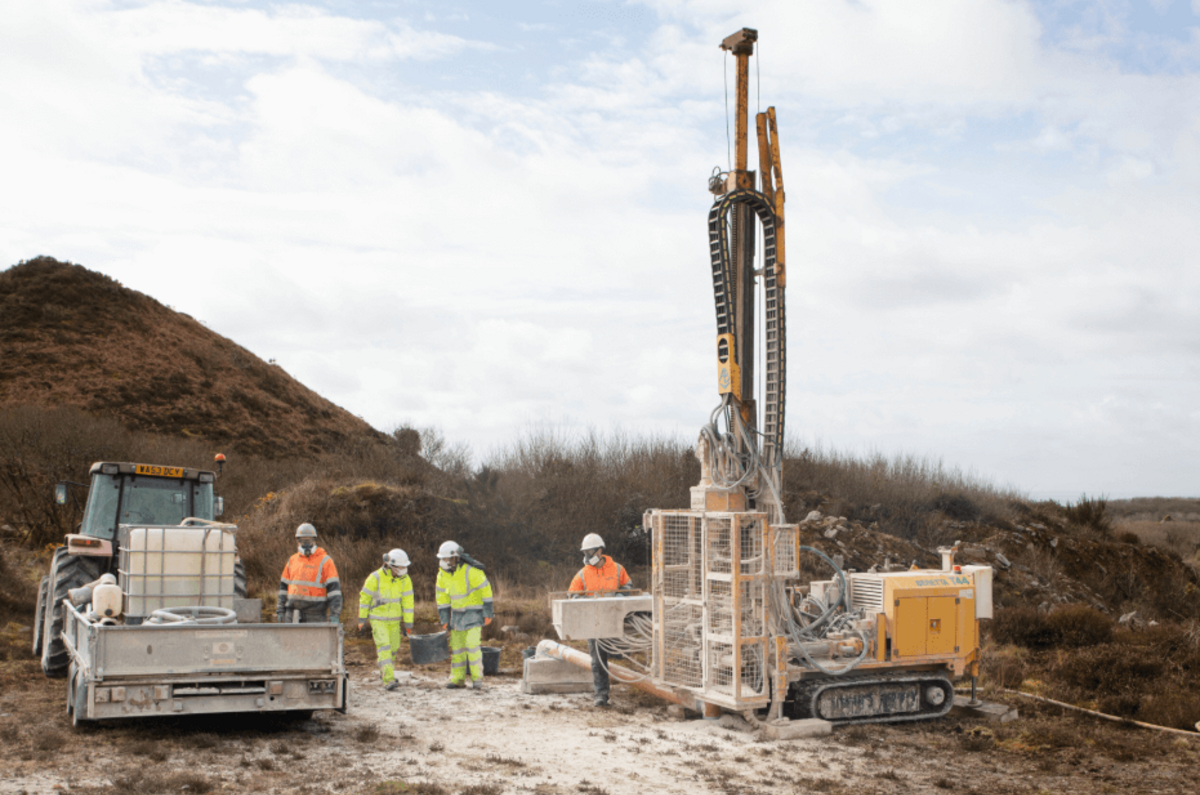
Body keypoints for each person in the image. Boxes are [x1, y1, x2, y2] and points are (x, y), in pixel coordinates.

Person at [568, 532, 631, 707]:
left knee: (623, 653)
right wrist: (585, 603)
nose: (587, 556)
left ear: (599, 551)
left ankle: (631, 682)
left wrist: (618, 597)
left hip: (614, 619)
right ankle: (601, 695)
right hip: (594, 622)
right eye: (585, 553)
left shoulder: (617, 568)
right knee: (597, 661)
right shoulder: (583, 573)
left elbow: (628, 586)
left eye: (590, 552)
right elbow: (572, 594)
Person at [434, 540, 493, 690]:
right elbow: (442, 599)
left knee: (472, 646)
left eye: (447, 559)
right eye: (442, 559)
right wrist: (445, 619)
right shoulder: (442, 575)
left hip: (474, 615)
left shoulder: (471, 571)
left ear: (455, 558)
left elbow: (486, 591)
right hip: (457, 617)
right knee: (457, 649)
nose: (444, 562)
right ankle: (457, 679)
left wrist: (487, 613)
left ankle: (477, 679)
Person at [358, 549, 415, 691]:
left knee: (394, 648)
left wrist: (408, 623)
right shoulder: (375, 578)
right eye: (400, 567)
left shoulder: (405, 580)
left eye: (404, 567)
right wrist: (362, 619)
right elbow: (364, 599)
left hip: (394, 621)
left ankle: (384, 670)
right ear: (390, 565)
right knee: (384, 646)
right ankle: (388, 678)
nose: (403, 570)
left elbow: (408, 603)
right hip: (378, 620)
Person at [276, 523, 342, 624]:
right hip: (292, 614)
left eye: (309, 540)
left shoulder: (325, 561)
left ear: (314, 540)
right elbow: (283, 588)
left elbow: (334, 591)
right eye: (302, 540)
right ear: (298, 541)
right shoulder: (292, 561)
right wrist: (280, 610)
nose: (306, 544)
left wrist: (335, 614)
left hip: (316, 616)